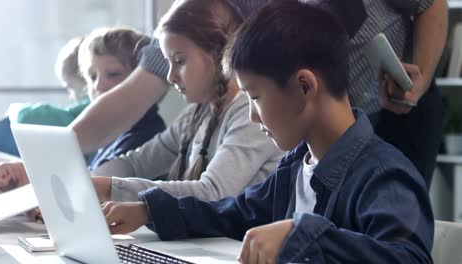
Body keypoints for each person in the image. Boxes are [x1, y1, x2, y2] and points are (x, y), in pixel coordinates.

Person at [101, 2, 434, 263]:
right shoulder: (294, 167)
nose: (253, 116)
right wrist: (149, 210)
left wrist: (303, 235)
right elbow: (231, 213)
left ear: (304, 86)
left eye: (255, 97)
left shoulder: (384, 175)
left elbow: (408, 257)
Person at [70, 0, 447, 188]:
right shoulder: (203, 114)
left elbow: (430, 5)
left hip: (395, 111)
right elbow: (147, 76)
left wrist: (421, 77)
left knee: (384, 209)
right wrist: (66, 157)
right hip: (309, 121)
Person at [90, 0, 283, 203]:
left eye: (179, 61)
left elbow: (213, 192)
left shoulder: (250, 113)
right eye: (168, 63)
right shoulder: (196, 114)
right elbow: (136, 164)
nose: (170, 77)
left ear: (218, 54)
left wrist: (111, 189)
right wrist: (89, 181)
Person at [0, 27, 167, 193]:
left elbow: (103, 191)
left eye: (113, 74)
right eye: (92, 77)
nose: (98, 85)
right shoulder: (111, 136)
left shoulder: (145, 137)